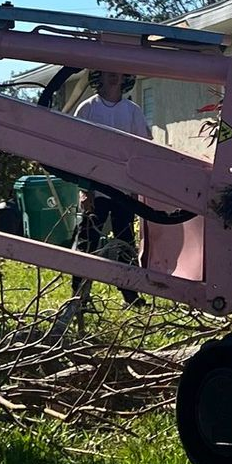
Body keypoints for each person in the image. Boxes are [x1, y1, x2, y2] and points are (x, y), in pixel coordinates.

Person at [70, 68, 146, 306]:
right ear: (98, 77)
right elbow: (78, 151)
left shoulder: (133, 112)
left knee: (125, 242)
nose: (114, 76)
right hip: (96, 188)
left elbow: (142, 150)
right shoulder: (88, 109)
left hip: (123, 189)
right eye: (108, 72)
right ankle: (79, 295)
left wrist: (137, 187)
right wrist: (85, 189)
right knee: (87, 241)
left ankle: (131, 296)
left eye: (119, 73)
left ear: (126, 77)